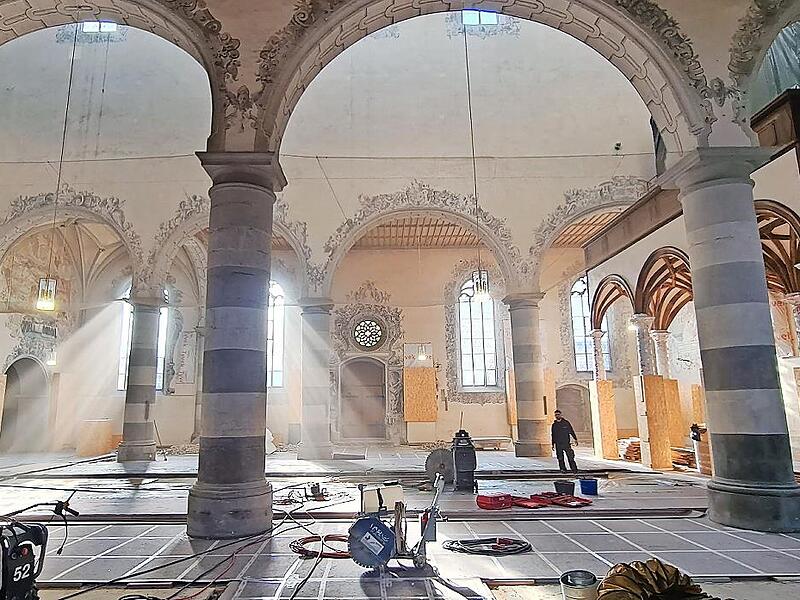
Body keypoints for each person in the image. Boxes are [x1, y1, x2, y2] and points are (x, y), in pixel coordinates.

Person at [551, 409, 579, 474]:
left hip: (566, 443)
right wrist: (553, 444)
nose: (557, 416)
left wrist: (575, 439)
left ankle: (574, 469)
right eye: (556, 415)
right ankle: (563, 469)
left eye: (558, 414)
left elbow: (571, 431)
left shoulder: (566, 423)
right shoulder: (554, 425)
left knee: (570, 457)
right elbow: (553, 434)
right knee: (560, 458)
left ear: (561, 415)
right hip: (558, 444)